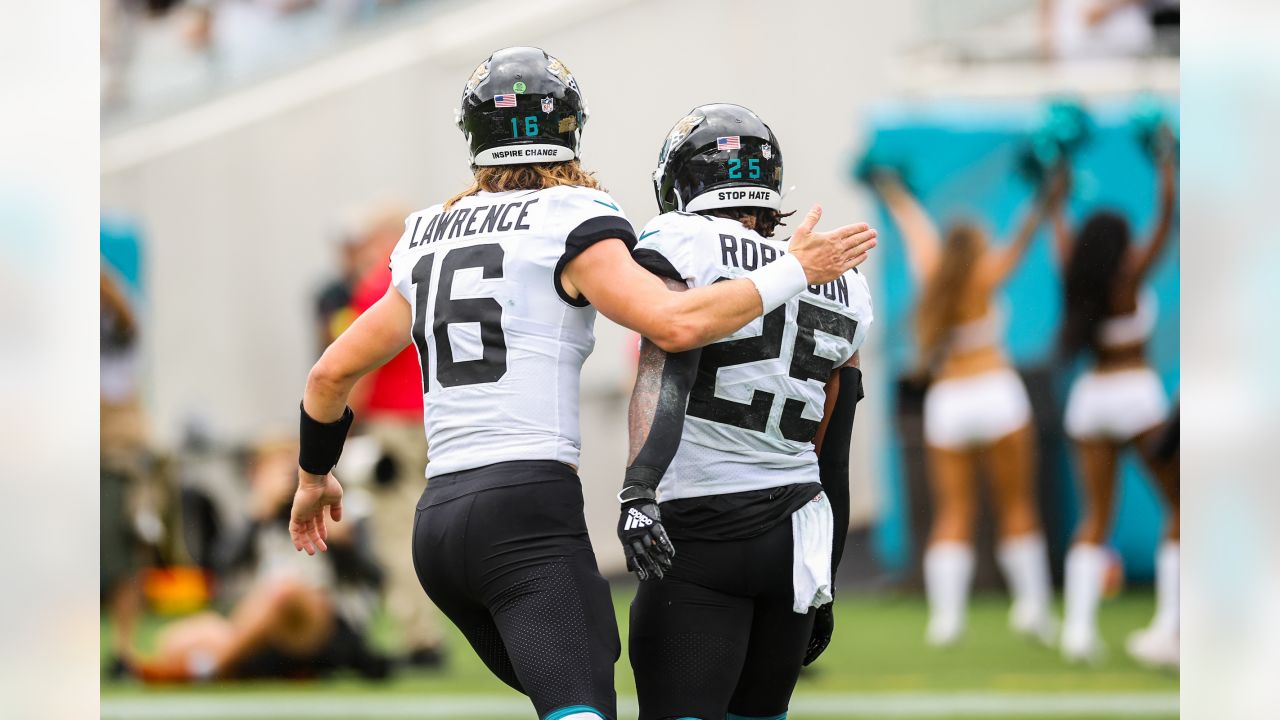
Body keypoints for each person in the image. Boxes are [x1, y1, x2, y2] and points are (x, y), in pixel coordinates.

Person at [287, 47, 877, 720]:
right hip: (533, 515)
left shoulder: (425, 233)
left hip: (441, 526)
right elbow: (675, 328)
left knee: (578, 682)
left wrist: (313, 477)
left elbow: (329, 373)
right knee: (585, 697)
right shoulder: (574, 216)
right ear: (570, 127)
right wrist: (792, 270)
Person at [618, 103, 875, 720]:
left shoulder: (681, 241)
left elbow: (667, 367)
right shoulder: (845, 281)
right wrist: (826, 578)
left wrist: (636, 489)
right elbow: (832, 445)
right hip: (795, 535)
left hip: (699, 527)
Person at [870, 168, 1066, 647]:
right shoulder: (986, 274)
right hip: (996, 394)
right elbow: (1024, 231)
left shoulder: (932, 274)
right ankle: (1034, 609)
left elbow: (914, 224)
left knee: (953, 511)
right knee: (1016, 505)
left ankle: (947, 619)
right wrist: (1046, 192)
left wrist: (892, 188)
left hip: (950, 403)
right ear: (976, 249)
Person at [1051, 131, 1178, 666]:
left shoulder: (1073, 271)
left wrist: (1058, 166)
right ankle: (1170, 628)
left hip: (1089, 401)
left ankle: (1078, 632)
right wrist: (1164, 160)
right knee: (1182, 507)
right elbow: (1167, 218)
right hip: (1137, 398)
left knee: (1094, 517)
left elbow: (1057, 221)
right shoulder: (1129, 274)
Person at [127, 439, 388, 682]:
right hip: (264, 624)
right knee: (174, 640)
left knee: (285, 589)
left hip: (324, 625)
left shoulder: (337, 509)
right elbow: (219, 570)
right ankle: (219, 661)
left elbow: (375, 580)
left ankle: (210, 668)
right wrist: (256, 517)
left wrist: (343, 545)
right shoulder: (259, 514)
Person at [344, 203, 446, 668]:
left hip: (392, 424)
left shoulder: (376, 283)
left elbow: (360, 363)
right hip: (439, 416)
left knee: (397, 532)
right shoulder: (436, 269)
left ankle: (418, 636)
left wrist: (344, 425)